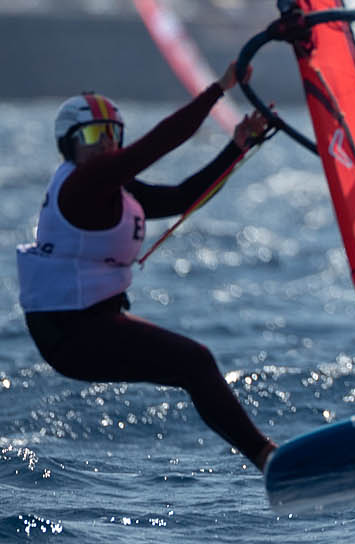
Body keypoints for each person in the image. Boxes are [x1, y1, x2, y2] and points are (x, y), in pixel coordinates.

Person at [17, 63, 277, 471]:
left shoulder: (111, 188)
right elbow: (159, 143)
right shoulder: (83, 184)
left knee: (194, 367)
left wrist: (237, 146)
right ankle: (269, 459)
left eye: (112, 135)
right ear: (69, 145)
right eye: (91, 136)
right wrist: (219, 89)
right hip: (69, 333)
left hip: (85, 327)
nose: (104, 144)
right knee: (197, 363)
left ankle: (268, 460)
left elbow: (180, 198)